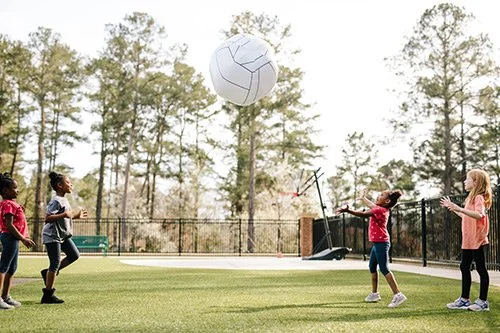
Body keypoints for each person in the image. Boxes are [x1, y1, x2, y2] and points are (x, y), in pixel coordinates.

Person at [336, 189, 407, 308]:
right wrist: (363, 198)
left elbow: (364, 214)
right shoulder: (382, 209)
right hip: (377, 243)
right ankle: (374, 294)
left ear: (387, 201)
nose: (378, 195)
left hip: (382, 243)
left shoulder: (379, 210)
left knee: (384, 268)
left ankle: (398, 294)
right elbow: (370, 204)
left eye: (381, 195)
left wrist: (348, 210)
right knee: (372, 267)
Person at [440, 169, 492, 312]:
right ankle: (464, 299)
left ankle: (483, 302)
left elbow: (479, 215)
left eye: (467, 179)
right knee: (464, 267)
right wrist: (454, 208)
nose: (464, 181)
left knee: (481, 269)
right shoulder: (470, 198)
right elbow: (467, 217)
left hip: (478, 239)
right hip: (468, 240)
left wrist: (460, 209)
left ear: (476, 182)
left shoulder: (479, 197)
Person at [40, 171, 87, 304]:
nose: (71, 184)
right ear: (60, 185)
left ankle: (48, 273)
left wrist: (75, 216)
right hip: (52, 236)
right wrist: (65, 214)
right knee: (54, 263)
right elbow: (47, 218)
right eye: (68, 182)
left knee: (74, 255)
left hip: (63, 236)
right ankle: (48, 295)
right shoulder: (55, 200)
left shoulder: (64, 199)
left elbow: (64, 216)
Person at [0, 173, 36, 309]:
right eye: (15, 188)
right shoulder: (9, 204)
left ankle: (6, 296)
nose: (18, 190)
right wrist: (23, 238)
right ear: (5, 190)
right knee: (3, 267)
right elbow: (9, 224)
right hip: (10, 237)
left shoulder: (10, 204)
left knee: (12, 268)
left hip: (12, 238)